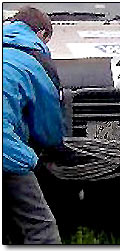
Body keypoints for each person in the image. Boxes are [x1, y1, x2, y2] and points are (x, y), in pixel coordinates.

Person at [3, 6, 64, 244]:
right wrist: (58, 151)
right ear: (41, 34)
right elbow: (48, 129)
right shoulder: (35, 60)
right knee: (41, 228)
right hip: (5, 151)